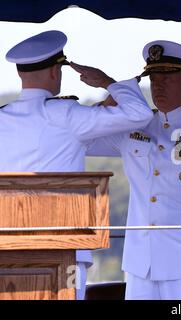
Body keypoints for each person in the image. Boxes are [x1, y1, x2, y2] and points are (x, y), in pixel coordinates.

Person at [0, 30, 153, 299]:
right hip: (64, 247)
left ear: (21, 74)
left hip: (7, 246)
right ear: (54, 72)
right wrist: (108, 82)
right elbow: (139, 114)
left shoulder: (4, 117)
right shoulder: (67, 114)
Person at [86, 40, 181, 300]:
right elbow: (85, 140)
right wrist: (113, 97)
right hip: (140, 264)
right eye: (153, 79)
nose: (157, 85)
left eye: (166, 78)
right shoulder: (135, 127)